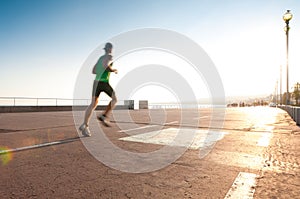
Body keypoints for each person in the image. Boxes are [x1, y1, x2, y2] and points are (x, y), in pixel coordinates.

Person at [79, 42, 118, 137]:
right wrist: (113, 70)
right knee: (114, 99)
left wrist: (102, 70)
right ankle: (104, 115)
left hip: (96, 82)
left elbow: (93, 71)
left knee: (93, 104)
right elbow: (106, 65)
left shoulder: (100, 58)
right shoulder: (109, 56)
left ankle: (85, 125)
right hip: (103, 82)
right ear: (110, 49)